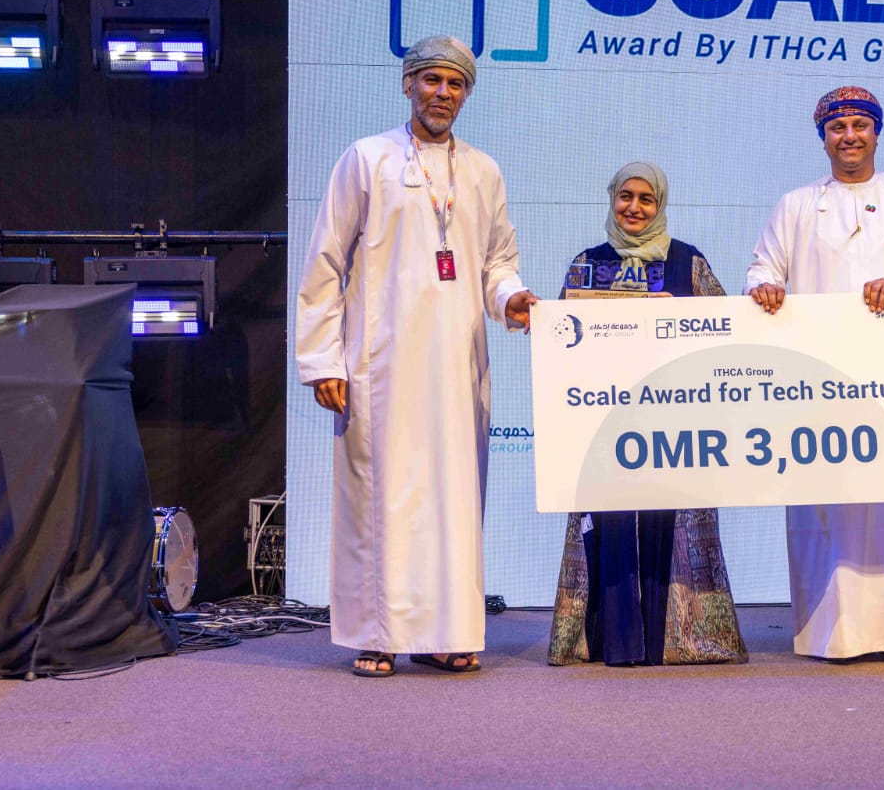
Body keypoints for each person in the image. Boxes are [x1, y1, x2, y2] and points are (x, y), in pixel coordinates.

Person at [295, 34, 538, 678]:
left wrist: (511, 299)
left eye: (456, 84)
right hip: (380, 364)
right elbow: (324, 263)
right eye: (432, 80)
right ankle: (377, 635)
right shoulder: (367, 158)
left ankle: (444, 631)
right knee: (382, 499)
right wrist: (323, 361)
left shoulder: (483, 170)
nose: (443, 93)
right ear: (408, 85)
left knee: (451, 502)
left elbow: (498, 262)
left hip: (457, 366)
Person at [745, 86, 884, 665]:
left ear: (877, 132)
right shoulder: (796, 205)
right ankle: (837, 635)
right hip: (822, 381)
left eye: (860, 125)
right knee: (832, 499)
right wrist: (764, 288)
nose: (849, 136)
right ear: (823, 138)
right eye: (837, 127)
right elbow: (764, 267)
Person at [547, 161, 748, 667]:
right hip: (604, 423)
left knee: (672, 521)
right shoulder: (586, 265)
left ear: (660, 204)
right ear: (612, 199)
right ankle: (608, 641)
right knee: (608, 522)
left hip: (674, 424)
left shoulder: (688, 263)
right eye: (626, 197)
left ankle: (675, 641)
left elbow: (727, 333)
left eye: (646, 199)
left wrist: (679, 319)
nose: (634, 208)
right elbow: (560, 343)